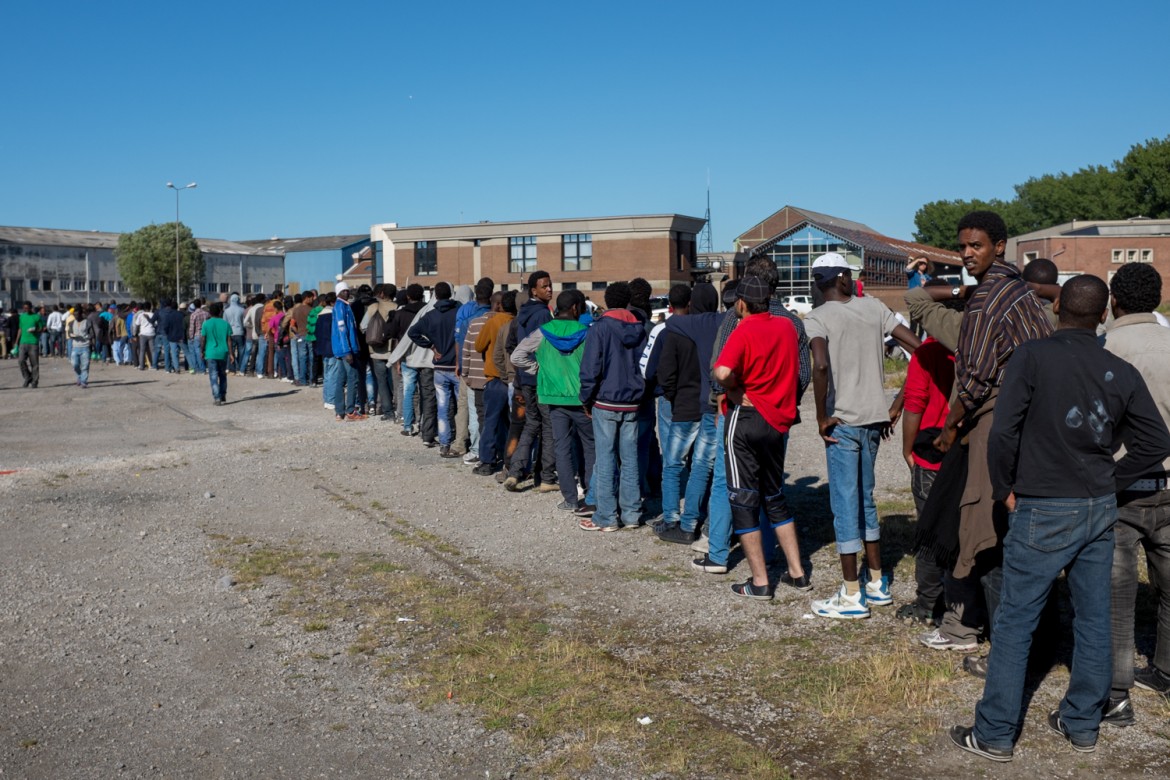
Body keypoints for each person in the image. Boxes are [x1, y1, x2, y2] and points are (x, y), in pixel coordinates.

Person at [950, 274, 1170, 762]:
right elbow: (1157, 442)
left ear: (1057, 311)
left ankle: (996, 733)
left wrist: (1004, 488)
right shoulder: (1119, 369)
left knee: (1015, 620)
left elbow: (1004, 431)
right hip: (1097, 507)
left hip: (1042, 504)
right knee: (1094, 618)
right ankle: (1082, 724)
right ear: (1102, 314)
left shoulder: (1031, 358)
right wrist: (1112, 481)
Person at [931, 211, 1053, 659]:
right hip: (1032, 419)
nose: (966, 254)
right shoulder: (1022, 290)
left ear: (999, 246)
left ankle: (1002, 644)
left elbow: (976, 378)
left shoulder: (986, 299)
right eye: (962, 246)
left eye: (976, 245)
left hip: (995, 418)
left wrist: (948, 428)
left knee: (983, 527)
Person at [805, 252, 920, 619]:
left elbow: (820, 364)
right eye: (849, 275)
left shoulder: (817, 318)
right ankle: (876, 582)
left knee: (844, 504)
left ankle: (852, 595)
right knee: (865, 500)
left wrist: (822, 415)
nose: (852, 280)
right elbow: (918, 347)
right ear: (840, 278)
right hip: (874, 420)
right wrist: (899, 402)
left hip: (842, 423)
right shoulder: (873, 308)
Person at [1102, 262, 1170, 727]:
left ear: (1114, 300)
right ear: (1158, 300)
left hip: (1119, 488)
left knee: (1114, 597)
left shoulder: (1104, 347)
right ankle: (1165, 670)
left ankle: (1115, 695)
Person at [713, 276, 807, 598]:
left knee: (743, 497)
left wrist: (735, 389)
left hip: (747, 418)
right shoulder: (787, 327)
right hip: (777, 421)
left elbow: (722, 372)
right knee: (775, 495)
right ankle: (797, 572)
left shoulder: (744, 329)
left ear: (741, 303)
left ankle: (760, 582)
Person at [511, 290, 593, 511]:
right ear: (576, 308)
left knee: (562, 447)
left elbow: (516, 356)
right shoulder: (587, 332)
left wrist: (539, 369)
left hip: (553, 399)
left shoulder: (543, 332)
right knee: (590, 447)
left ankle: (570, 499)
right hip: (582, 399)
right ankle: (592, 495)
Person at [578, 282, 649, 532]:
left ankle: (607, 516)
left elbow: (590, 368)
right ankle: (631, 514)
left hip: (606, 399)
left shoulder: (600, 328)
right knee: (629, 458)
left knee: (606, 458)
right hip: (632, 400)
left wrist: (585, 398)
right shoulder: (640, 328)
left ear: (607, 301)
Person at [656, 283, 722, 544]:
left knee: (673, 464)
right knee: (703, 466)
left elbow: (666, 372)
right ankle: (693, 519)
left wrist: (671, 395)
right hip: (709, 405)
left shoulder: (680, 329)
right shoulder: (722, 327)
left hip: (683, 404)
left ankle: (671, 517)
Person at [505, 271, 556, 489]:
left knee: (531, 424)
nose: (549, 289)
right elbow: (547, 346)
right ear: (533, 290)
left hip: (524, 378)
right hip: (540, 378)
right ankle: (546, 478)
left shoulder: (520, 315)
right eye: (544, 286)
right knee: (548, 426)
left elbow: (511, 346)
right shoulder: (543, 315)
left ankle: (515, 472)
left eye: (550, 285)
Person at [409, 282, 462, 457]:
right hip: (457, 367)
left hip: (439, 367)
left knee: (442, 407)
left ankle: (444, 445)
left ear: (435, 297)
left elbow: (412, 332)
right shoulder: (459, 312)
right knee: (462, 408)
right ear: (451, 294)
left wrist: (430, 345)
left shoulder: (430, 316)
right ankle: (463, 442)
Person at [474, 291, 516, 475]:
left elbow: (478, 346)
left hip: (495, 377)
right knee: (512, 423)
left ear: (499, 305)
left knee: (490, 421)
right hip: (515, 378)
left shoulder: (493, 322)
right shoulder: (517, 322)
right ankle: (511, 459)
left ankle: (487, 461)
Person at [362, 284, 398, 421]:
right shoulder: (397, 307)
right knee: (394, 381)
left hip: (376, 350)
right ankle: (398, 409)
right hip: (393, 350)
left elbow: (363, 326)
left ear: (382, 293)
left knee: (381, 381)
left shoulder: (373, 307)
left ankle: (388, 411)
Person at [330, 282, 362, 421]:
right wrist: (347, 350)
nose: (347, 293)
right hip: (346, 349)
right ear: (338, 293)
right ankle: (350, 410)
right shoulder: (340, 307)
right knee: (352, 378)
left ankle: (339, 411)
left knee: (341, 379)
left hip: (345, 348)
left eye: (348, 291)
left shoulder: (345, 306)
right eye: (343, 291)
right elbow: (342, 330)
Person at [202, 301, 232, 405]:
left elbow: (203, 339)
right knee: (222, 375)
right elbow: (229, 340)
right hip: (223, 353)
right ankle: (223, 394)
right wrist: (231, 354)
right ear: (220, 312)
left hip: (210, 353)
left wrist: (202, 351)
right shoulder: (226, 324)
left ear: (209, 313)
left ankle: (217, 397)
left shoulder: (206, 324)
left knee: (213, 376)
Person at [17, 301, 45, 388]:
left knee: (34, 364)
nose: (26, 310)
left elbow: (42, 328)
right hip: (23, 342)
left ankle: (35, 381)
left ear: (31, 307)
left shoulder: (36, 317)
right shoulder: (22, 316)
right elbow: (20, 329)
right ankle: (28, 377)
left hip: (33, 342)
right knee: (21, 361)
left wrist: (35, 330)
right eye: (24, 308)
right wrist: (16, 342)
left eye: (27, 308)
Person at [67, 305, 94, 388]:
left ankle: (84, 381)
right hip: (75, 347)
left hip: (85, 347)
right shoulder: (71, 323)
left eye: (77, 314)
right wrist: (72, 336)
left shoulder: (87, 322)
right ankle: (79, 376)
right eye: (74, 315)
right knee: (75, 364)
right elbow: (69, 333)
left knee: (85, 365)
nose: (76, 316)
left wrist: (86, 337)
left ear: (81, 314)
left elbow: (92, 334)